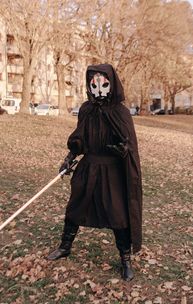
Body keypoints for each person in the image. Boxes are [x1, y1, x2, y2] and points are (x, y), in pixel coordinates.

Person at [47, 64, 143, 281]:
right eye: (94, 82)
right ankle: (65, 247)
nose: (99, 87)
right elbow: (80, 137)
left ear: (112, 83)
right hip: (89, 166)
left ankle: (125, 260)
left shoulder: (121, 112)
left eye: (103, 82)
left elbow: (129, 144)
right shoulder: (86, 109)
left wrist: (123, 150)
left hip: (112, 171)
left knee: (118, 215)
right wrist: (70, 157)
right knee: (75, 207)